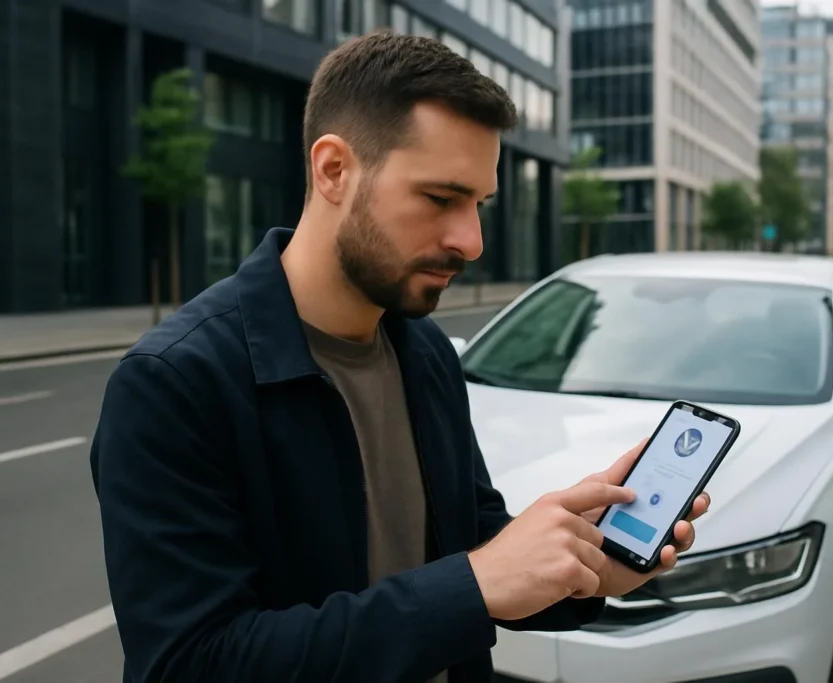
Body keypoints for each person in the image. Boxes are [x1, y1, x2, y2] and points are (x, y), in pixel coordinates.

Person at [89, 31, 710, 683]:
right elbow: (190, 663)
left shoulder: (425, 350)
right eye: (441, 199)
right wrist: (471, 584)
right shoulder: (172, 384)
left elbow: (467, 547)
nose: (470, 241)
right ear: (333, 170)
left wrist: (580, 564)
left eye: (479, 205)